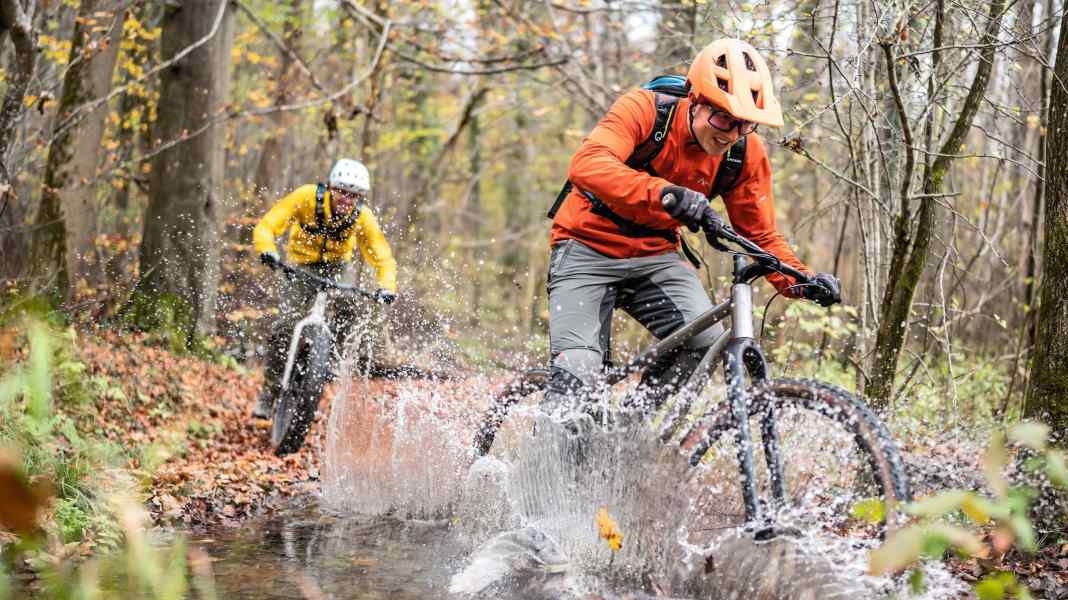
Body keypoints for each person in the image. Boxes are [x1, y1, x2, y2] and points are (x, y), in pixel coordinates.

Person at [544, 38, 841, 413]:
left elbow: (760, 234)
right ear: (695, 100)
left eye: (745, 124)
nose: (731, 133)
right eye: (723, 119)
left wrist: (802, 281)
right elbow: (588, 163)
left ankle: (629, 429)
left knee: (703, 343)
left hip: (655, 256)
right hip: (585, 247)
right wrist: (666, 194)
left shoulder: (743, 154)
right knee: (578, 371)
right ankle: (544, 449)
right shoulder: (644, 110)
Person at [251, 158, 398, 419]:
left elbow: (382, 256)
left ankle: (326, 359)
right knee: (285, 327)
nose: (346, 200)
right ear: (330, 187)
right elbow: (268, 224)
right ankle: (269, 392)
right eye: (342, 191)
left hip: (337, 267)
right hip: (301, 265)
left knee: (350, 305)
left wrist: (387, 287)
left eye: (353, 195)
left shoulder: (362, 217)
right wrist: (267, 249)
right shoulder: (306, 197)